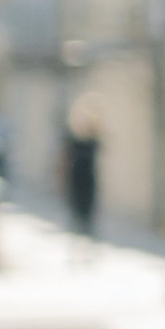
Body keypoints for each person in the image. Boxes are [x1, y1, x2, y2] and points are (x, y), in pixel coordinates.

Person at [61, 101, 101, 240]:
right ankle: (76, 243)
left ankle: (88, 244)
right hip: (76, 179)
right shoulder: (72, 139)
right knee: (75, 215)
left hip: (89, 179)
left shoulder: (93, 139)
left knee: (88, 216)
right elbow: (65, 159)